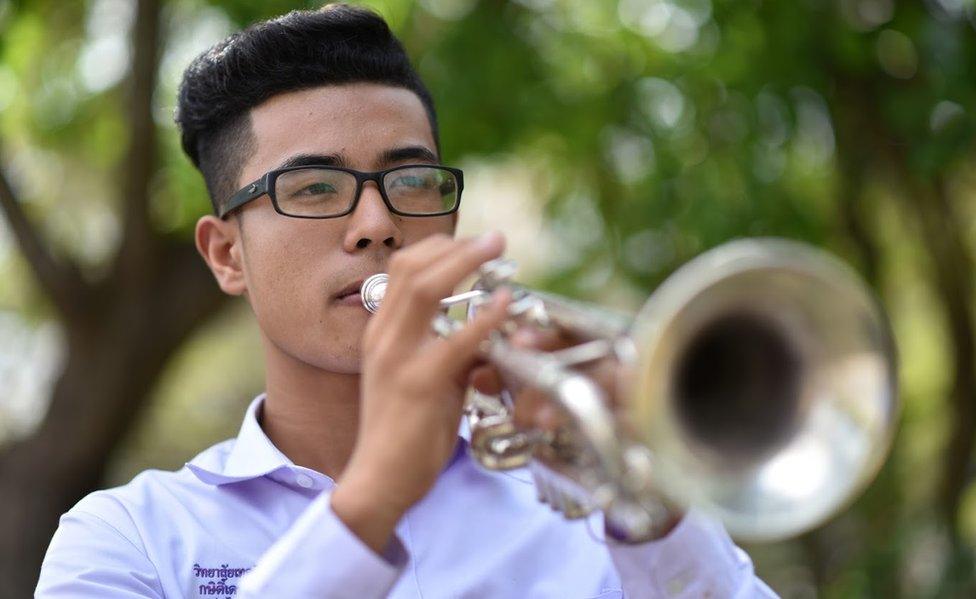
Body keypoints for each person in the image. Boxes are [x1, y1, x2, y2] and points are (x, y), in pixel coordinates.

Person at [36, 4, 776, 597]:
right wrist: (369, 502)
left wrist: (650, 514)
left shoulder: (590, 498)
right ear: (228, 254)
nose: (377, 224)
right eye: (315, 188)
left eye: (412, 181)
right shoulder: (129, 537)